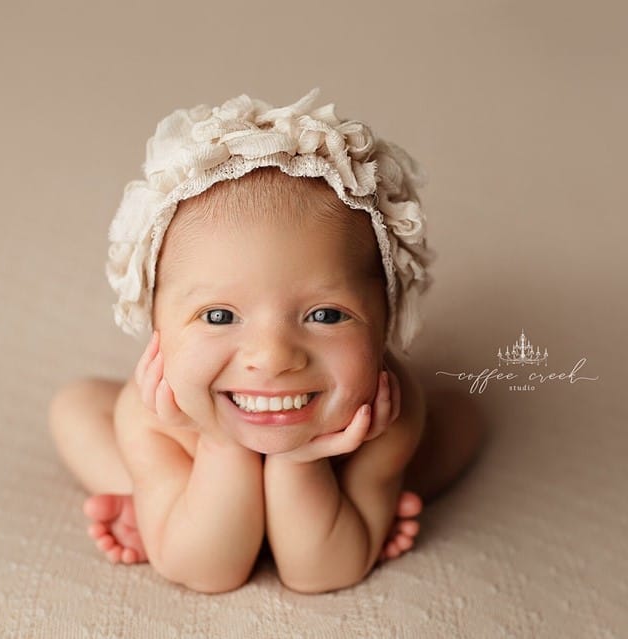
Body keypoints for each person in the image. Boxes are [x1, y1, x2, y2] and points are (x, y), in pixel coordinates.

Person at [49, 89, 486, 594]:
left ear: (386, 323)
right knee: (76, 406)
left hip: (339, 470)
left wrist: (302, 461)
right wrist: (215, 443)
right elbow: (206, 572)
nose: (273, 357)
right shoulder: (156, 414)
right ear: (158, 330)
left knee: (460, 417)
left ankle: (353, 506)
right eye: (218, 315)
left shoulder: (385, 415)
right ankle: (157, 499)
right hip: (193, 447)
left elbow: (322, 573)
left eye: (325, 314)